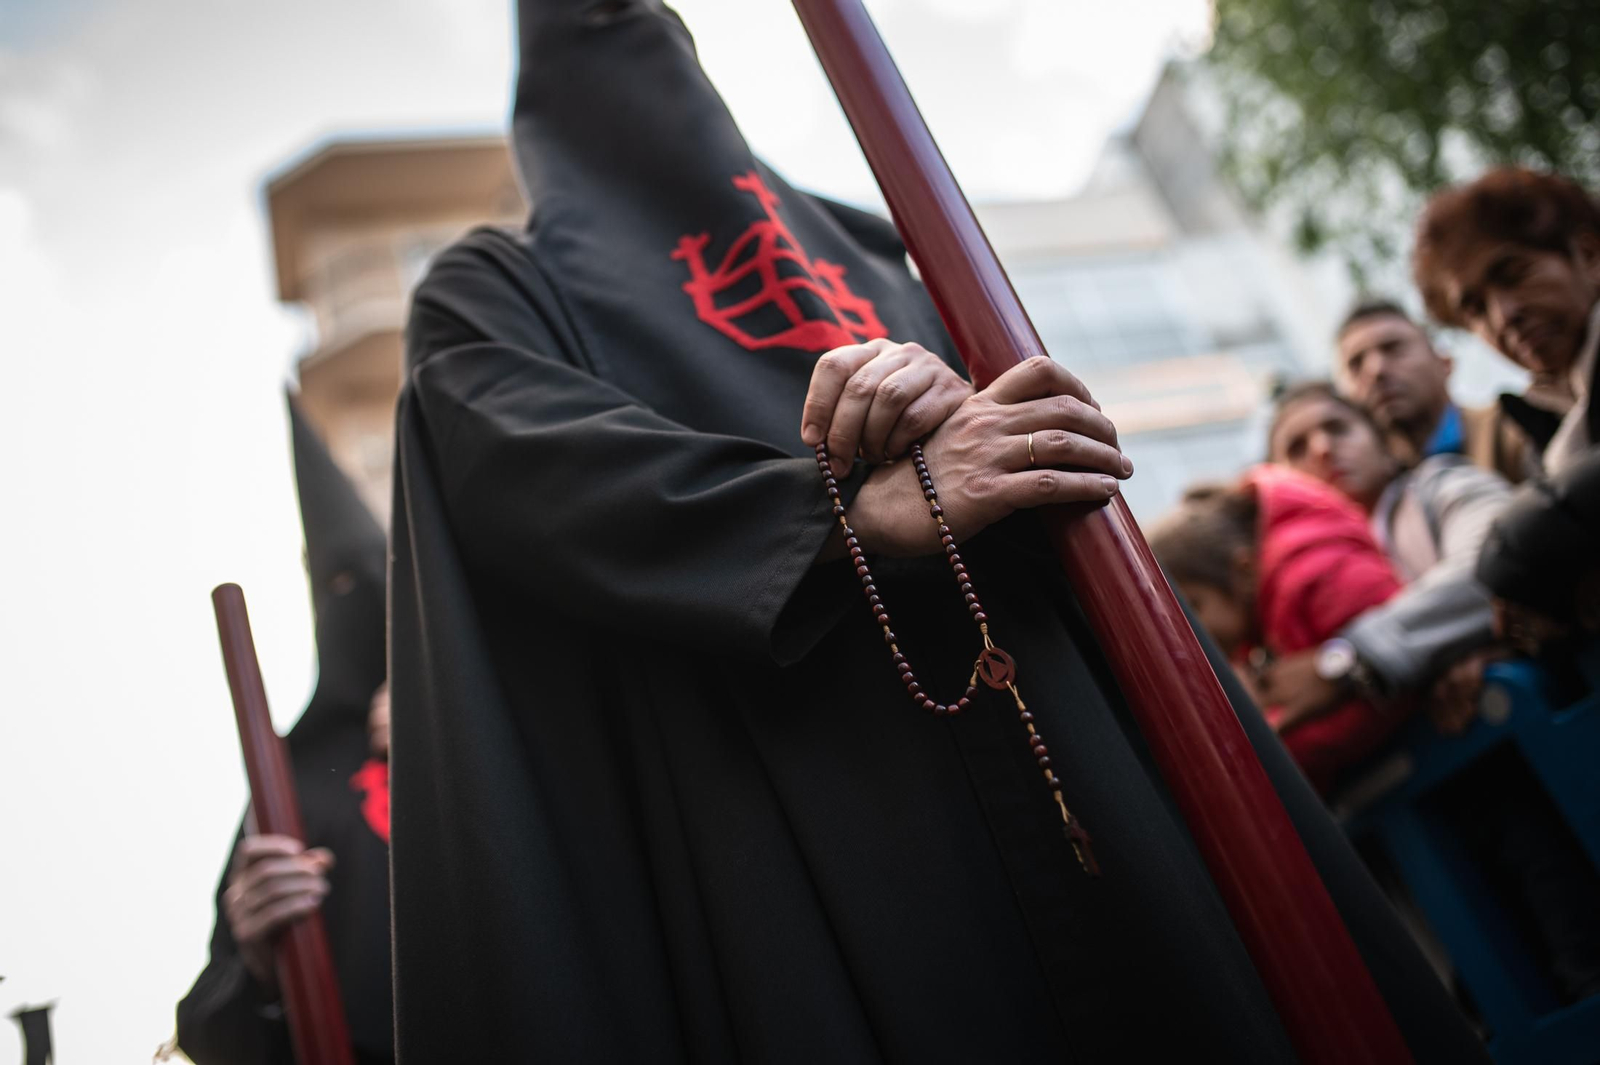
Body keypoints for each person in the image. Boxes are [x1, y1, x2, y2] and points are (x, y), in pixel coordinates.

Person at [384, 3, 1487, 1061]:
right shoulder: (498, 285)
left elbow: (1034, 441)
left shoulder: (880, 250)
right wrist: (841, 516)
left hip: (1050, 711)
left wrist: (983, 420)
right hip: (804, 779)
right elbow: (524, 462)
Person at [176, 401, 393, 1065]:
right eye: (342, 584)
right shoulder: (293, 787)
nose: (364, 597)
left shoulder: (485, 736)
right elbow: (214, 1023)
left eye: (379, 578)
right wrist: (257, 958)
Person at [1262, 383, 1510, 736]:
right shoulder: (1291, 594)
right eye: (1296, 448)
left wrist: (1349, 660)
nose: (1322, 449)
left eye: (1337, 428)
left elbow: (1499, 559)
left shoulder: (1440, 487)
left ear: (1386, 446)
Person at [1148, 468, 1407, 792]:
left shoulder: (1317, 573)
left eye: (1194, 608)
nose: (1191, 632)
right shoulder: (1258, 631)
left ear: (1242, 571)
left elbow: (1402, 670)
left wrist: (1277, 753)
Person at [1414, 167, 1600, 475]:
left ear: (1589, 256)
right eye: (1476, 310)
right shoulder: (1538, 435)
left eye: (1515, 275)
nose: (1504, 317)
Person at [1335, 298, 1537, 483]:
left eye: (1393, 348)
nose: (1375, 370)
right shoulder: (1370, 492)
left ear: (1444, 363)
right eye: (1356, 364)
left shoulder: (1516, 430)